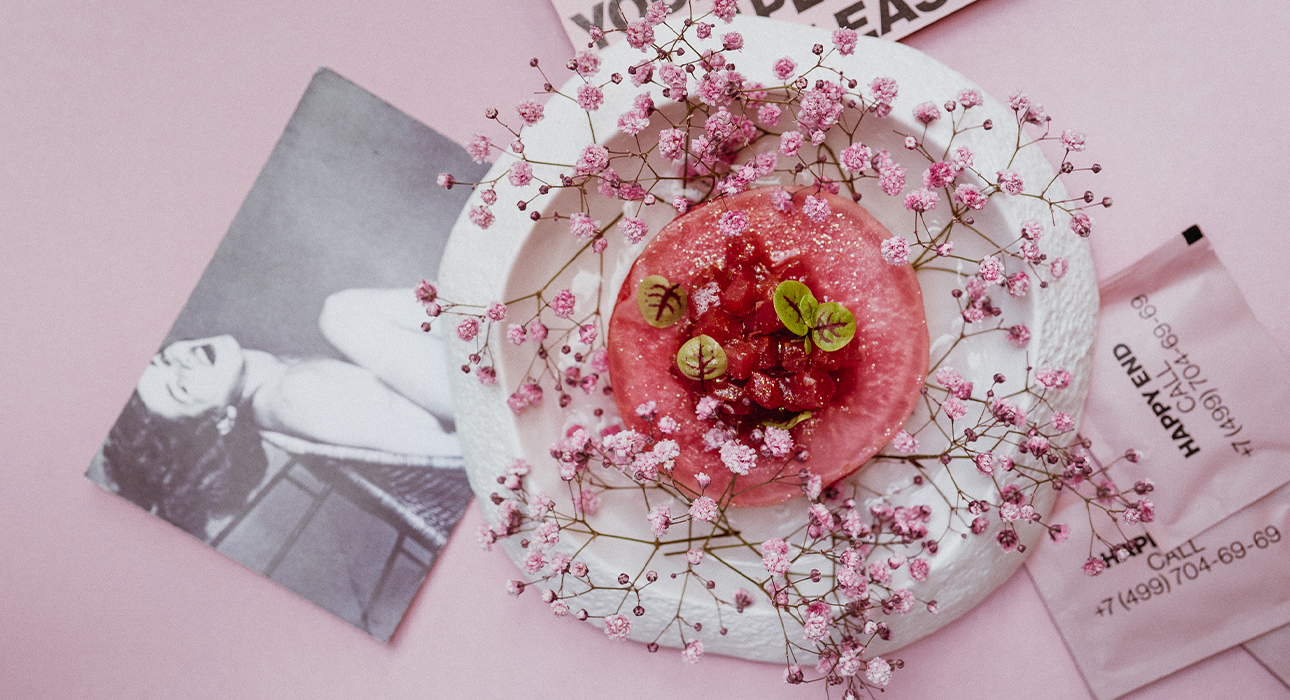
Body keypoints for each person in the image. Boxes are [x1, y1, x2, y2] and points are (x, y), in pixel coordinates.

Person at [98, 288, 459, 539]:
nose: (181, 360)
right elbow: (442, 450)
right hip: (483, 406)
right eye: (181, 387)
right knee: (339, 314)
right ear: (219, 422)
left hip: (468, 382)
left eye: (162, 359)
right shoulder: (294, 397)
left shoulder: (275, 387)